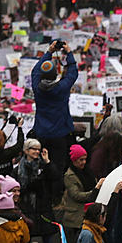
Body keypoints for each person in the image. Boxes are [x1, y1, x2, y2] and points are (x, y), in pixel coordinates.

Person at [31, 40, 79, 180]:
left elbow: (35, 71)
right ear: (54, 75)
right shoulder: (62, 88)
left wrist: (49, 52)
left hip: (42, 133)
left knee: (42, 166)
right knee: (58, 167)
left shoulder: (37, 88)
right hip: (60, 134)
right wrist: (69, 53)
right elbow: (72, 73)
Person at [17, 137, 60, 243]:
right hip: (27, 208)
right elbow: (18, 187)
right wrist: (30, 186)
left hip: (43, 208)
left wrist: (47, 161)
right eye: (33, 149)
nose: (37, 151)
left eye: (38, 149)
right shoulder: (19, 167)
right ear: (26, 150)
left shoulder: (43, 165)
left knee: (48, 242)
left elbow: (55, 177)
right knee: (26, 242)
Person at [58, 145, 105, 243]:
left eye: (85, 159)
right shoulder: (69, 175)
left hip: (88, 215)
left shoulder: (88, 172)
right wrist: (95, 190)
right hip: (75, 219)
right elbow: (76, 195)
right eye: (80, 160)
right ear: (74, 160)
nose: (83, 162)